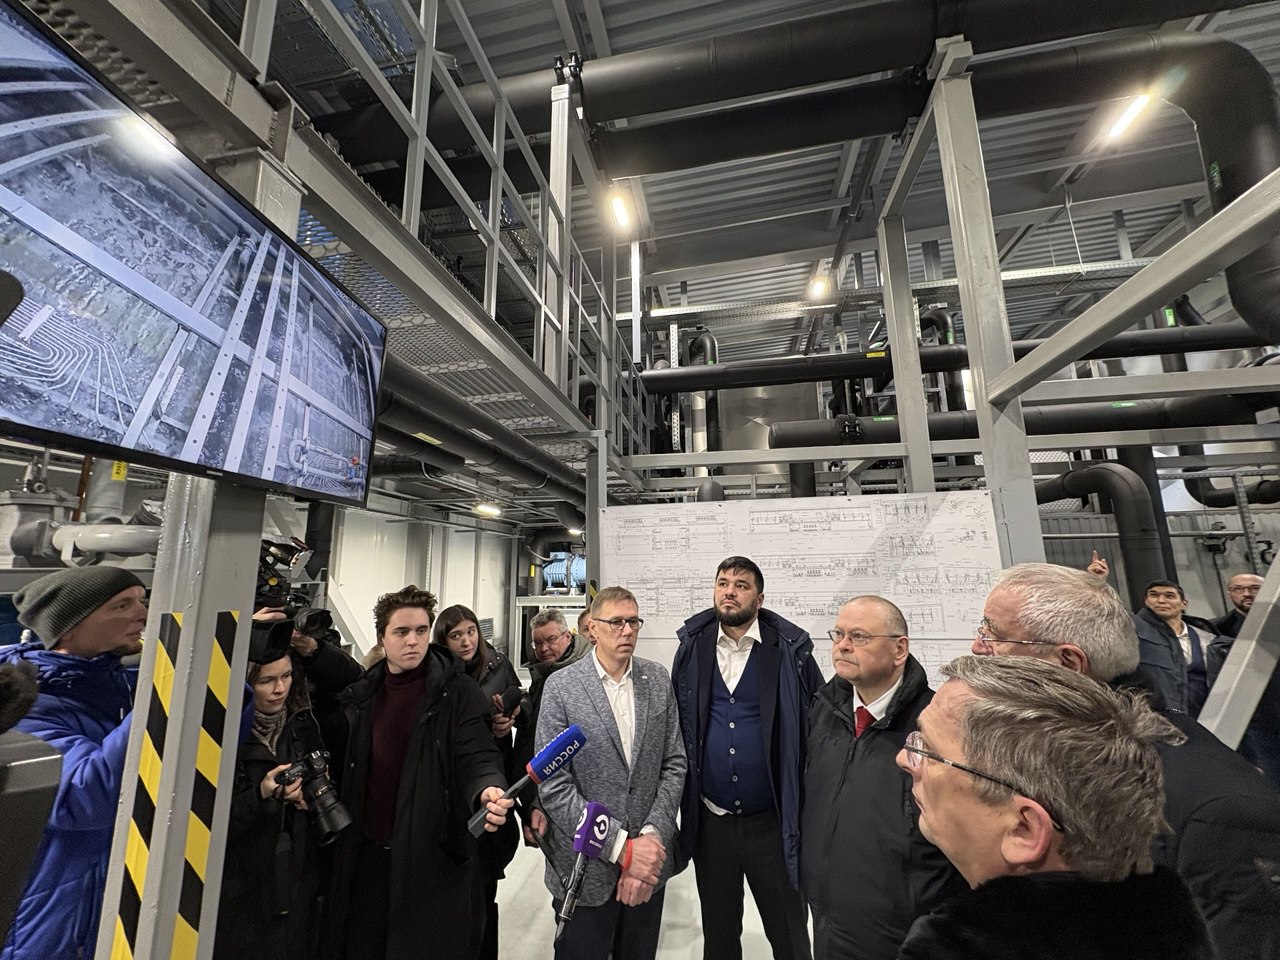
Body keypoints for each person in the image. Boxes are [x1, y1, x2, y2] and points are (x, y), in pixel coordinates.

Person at [972, 563, 1280, 959]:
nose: (978, 648)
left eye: (993, 635)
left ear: (1068, 663)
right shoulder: (1044, 759)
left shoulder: (1215, 811)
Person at [895, 655, 1214, 960]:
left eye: (930, 752)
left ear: (1023, 830)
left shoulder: (956, 947)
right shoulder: (1163, 933)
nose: (904, 760)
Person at [321, 585, 512, 960]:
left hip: (430, 860)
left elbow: (477, 754)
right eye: (402, 632)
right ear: (382, 637)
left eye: (421, 630)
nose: (413, 640)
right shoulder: (363, 694)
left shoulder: (457, 693)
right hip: (368, 858)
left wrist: (487, 788)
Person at [671, 557, 822, 960]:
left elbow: (819, 726)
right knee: (719, 938)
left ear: (759, 598)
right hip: (712, 824)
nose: (729, 591)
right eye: (723, 583)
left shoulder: (790, 651)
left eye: (741, 585)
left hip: (773, 823)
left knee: (790, 937)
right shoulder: (692, 649)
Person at [801, 597, 965, 960]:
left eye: (859, 636)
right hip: (829, 926)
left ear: (899, 649)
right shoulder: (823, 711)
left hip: (904, 937)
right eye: (839, 634)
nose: (843, 646)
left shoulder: (936, 728)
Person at [0, 565, 147, 960]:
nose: (143, 614)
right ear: (69, 627)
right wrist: (165, 689)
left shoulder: (115, 684)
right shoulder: (24, 702)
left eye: (141, 600)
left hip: (107, 901)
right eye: (122, 605)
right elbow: (83, 799)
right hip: (48, 916)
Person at [534, 586, 686, 960]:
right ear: (591, 629)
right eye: (616, 622)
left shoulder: (657, 680)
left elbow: (674, 764)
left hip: (648, 869)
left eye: (633, 621)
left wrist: (648, 841)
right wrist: (620, 849)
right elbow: (554, 785)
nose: (627, 630)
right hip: (584, 874)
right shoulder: (562, 688)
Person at [214, 649, 327, 960]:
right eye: (267, 681)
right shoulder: (223, 736)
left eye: (286, 676)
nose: (280, 689)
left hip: (295, 877)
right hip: (242, 887)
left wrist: (310, 794)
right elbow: (213, 822)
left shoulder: (303, 724)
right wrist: (262, 793)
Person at [434, 604, 524, 960]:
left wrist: (511, 717)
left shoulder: (498, 665)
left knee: (485, 889)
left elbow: (522, 702)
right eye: (456, 635)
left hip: (492, 784)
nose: (466, 641)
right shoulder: (439, 678)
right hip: (452, 791)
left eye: (470, 632)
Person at [516, 608, 591, 845]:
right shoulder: (545, 670)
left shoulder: (579, 675)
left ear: (568, 636)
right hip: (542, 786)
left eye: (551, 640)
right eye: (538, 643)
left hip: (569, 792)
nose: (544, 648)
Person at [1134, 579, 1221, 716]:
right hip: (1152, 718)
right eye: (1154, 595)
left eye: (1169, 596)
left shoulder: (1207, 639)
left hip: (1204, 717)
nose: (1161, 600)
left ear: (1184, 603)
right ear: (1146, 601)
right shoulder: (1133, 633)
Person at [1214, 572, 1264, 638]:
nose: (1247, 594)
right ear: (1229, 593)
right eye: (1238, 589)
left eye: (1255, 588)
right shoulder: (1215, 628)